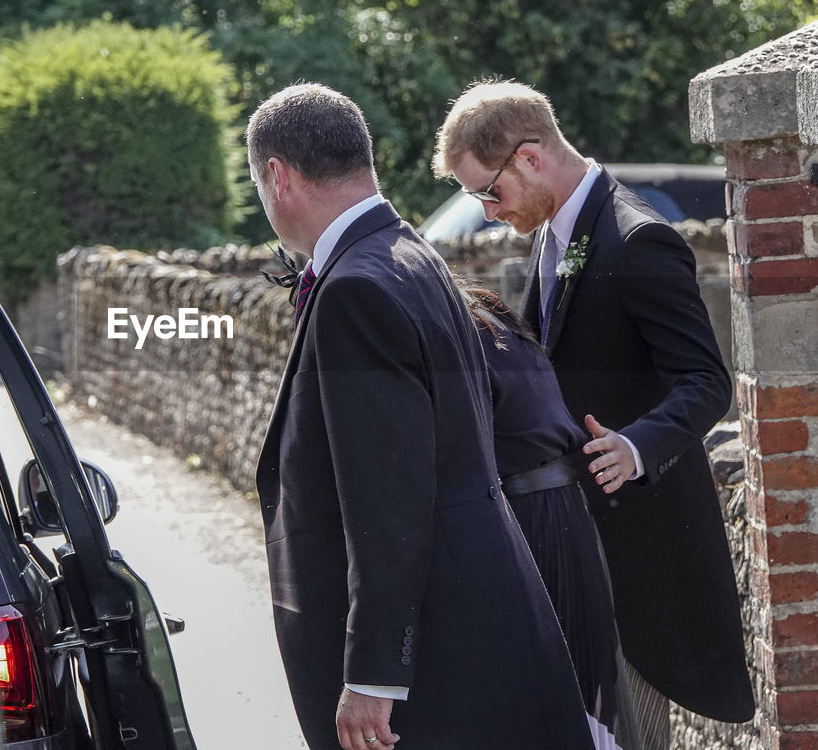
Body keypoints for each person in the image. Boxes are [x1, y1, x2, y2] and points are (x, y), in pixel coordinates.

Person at [249, 83, 593, 750]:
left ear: (277, 175)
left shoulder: (354, 291)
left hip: (441, 652)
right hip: (481, 611)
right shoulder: (408, 253)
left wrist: (376, 674)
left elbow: (391, 494)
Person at [433, 79, 755, 748]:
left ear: (528, 157)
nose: (489, 212)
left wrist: (635, 447)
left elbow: (706, 379)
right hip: (573, 547)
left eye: (489, 191)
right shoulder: (553, 234)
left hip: (638, 553)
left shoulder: (638, 239)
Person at [460, 283, 626, 750]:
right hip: (562, 513)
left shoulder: (462, 329)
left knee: (549, 704)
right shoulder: (486, 316)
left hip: (529, 525)